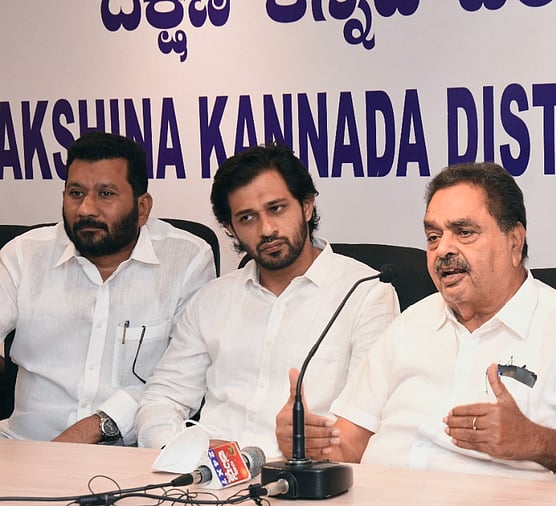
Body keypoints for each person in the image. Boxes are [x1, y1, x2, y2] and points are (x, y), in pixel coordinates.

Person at [277, 162, 556, 485]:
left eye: (464, 232)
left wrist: (538, 442)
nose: (443, 250)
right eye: (433, 236)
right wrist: (312, 441)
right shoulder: (410, 325)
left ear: (514, 242)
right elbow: (351, 443)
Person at [135, 144, 400, 458]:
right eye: (247, 218)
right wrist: (186, 450)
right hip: (207, 478)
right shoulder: (213, 300)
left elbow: (367, 423)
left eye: (277, 208)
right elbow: (161, 399)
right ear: (230, 229)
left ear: (307, 206)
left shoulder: (365, 293)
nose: (267, 229)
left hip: (306, 479)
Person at [0, 131, 216, 444]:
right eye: (75, 193)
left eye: (106, 194)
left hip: (126, 456)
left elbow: (183, 378)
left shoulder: (186, 260)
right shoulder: (23, 254)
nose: (86, 209)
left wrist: (95, 427)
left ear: (142, 208)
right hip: (22, 446)